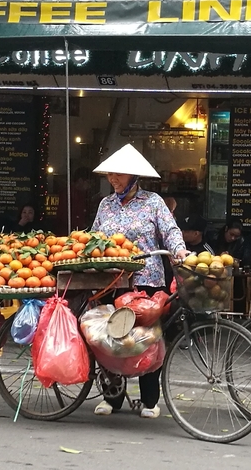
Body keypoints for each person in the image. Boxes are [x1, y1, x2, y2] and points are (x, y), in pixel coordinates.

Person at [90, 143, 189, 419]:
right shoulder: (105, 205)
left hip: (147, 282)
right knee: (111, 341)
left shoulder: (153, 202)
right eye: (110, 175)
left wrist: (179, 249)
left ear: (134, 176)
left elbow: (170, 231)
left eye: (119, 174)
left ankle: (149, 400)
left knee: (146, 341)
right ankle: (112, 397)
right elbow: (94, 237)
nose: (113, 179)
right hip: (112, 282)